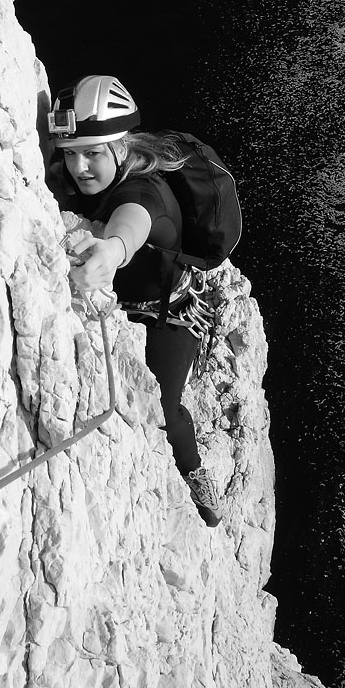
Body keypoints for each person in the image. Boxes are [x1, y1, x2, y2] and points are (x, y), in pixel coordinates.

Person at [48, 74, 222, 527]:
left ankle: (194, 470)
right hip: (127, 304)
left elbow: (133, 220)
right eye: (70, 154)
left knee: (163, 407)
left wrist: (113, 249)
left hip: (170, 316)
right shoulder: (83, 176)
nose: (79, 167)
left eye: (92, 153)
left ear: (121, 149)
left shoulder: (143, 192)